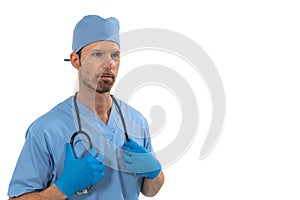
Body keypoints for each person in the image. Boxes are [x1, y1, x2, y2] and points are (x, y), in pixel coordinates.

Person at [7, 14, 164, 200]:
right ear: (75, 60)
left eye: (115, 55)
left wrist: (155, 172)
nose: (109, 64)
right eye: (97, 54)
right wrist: (63, 187)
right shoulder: (46, 130)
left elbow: (149, 190)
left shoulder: (136, 121)